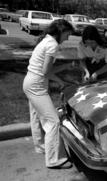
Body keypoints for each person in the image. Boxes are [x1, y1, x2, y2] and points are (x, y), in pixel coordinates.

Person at [22, 19, 74, 169]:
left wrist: (64, 66)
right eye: (67, 35)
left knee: (36, 117)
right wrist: (61, 82)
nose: (68, 38)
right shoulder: (53, 44)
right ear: (61, 32)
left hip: (29, 82)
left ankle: (40, 146)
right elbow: (46, 72)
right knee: (53, 121)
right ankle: (53, 160)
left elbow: (44, 70)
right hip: (37, 86)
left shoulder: (46, 40)